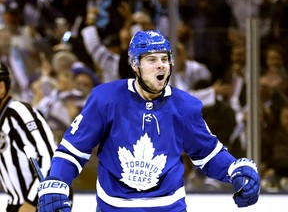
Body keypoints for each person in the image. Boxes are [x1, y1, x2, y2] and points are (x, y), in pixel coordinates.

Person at [37, 30, 260, 212]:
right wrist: (57, 180)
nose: (161, 65)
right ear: (135, 65)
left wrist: (233, 169)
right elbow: (72, 150)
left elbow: (208, 155)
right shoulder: (106, 99)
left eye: (165, 59)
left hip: (168, 208)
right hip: (116, 208)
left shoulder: (184, 106)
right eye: (152, 60)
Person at [0, 62, 57, 212]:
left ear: (4, 85)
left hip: (40, 202)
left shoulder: (19, 112)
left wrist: (32, 201)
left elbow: (49, 157)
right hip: (15, 204)